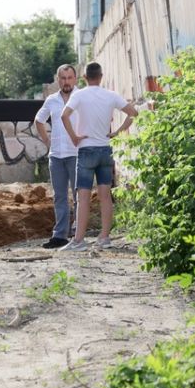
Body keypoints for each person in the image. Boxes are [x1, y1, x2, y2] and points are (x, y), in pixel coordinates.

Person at [59, 61, 138, 251]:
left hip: (86, 149)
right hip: (105, 149)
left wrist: (74, 137)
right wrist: (117, 132)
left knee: (83, 197)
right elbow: (133, 113)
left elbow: (64, 115)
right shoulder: (110, 95)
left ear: (84, 77)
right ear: (101, 77)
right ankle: (104, 237)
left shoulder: (79, 95)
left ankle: (78, 241)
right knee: (105, 196)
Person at [34, 64, 79, 249]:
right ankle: (60, 236)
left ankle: (78, 235)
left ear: (75, 79)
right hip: (56, 156)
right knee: (59, 196)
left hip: (77, 154)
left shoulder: (81, 97)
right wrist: (47, 141)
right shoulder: (52, 100)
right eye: (63, 78)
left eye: (69, 78)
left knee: (79, 196)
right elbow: (39, 120)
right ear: (58, 79)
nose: (66, 81)